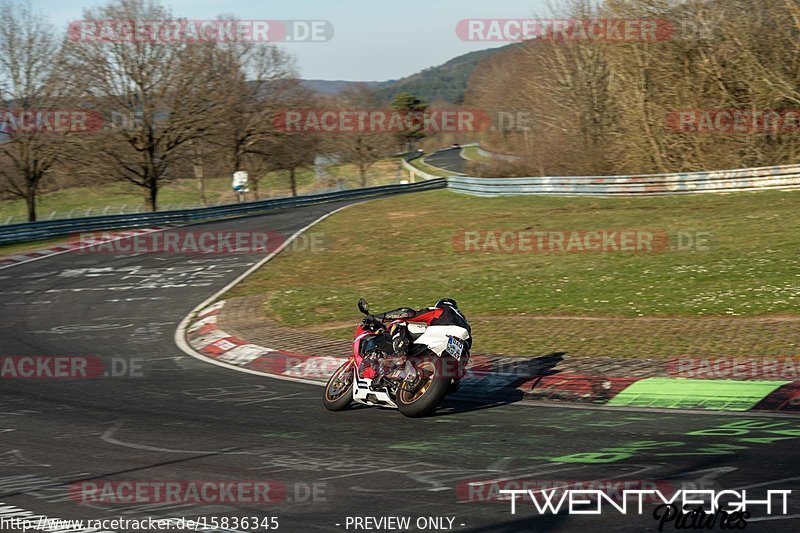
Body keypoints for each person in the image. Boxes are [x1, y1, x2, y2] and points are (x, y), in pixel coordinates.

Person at [371, 298, 470, 357]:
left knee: (399, 323)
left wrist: (379, 317)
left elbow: (409, 314)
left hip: (443, 335)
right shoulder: (465, 324)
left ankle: (400, 353)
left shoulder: (442, 310)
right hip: (461, 350)